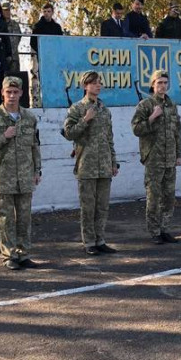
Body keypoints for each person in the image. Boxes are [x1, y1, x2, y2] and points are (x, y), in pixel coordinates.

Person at [0, 76, 42, 270]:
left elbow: (35, 146)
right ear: (3, 93)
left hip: (25, 177)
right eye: (8, 92)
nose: (12, 96)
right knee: (6, 219)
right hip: (3, 177)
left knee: (24, 218)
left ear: (21, 93)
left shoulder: (29, 118)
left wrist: (37, 170)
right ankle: (9, 255)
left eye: (15, 92)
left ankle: (23, 254)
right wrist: (3, 136)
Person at [62, 71, 119, 255]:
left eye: (99, 82)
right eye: (93, 83)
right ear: (85, 86)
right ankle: (89, 242)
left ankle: (100, 239)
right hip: (86, 164)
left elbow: (109, 138)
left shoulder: (105, 109)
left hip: (103, 165)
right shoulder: (77, 108)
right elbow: (69, 133)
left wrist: (113, 161)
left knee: (102, 206)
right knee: (88, 207)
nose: (97, 85)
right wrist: (85, 120)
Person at [131, 70, 181, 244]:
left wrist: (178, 154)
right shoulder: (145, 105)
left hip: (169, 158)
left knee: (169, 197)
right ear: (152, 85)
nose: (162, 86)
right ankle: (154, 231)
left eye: (165, 83)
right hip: (154, 158)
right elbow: (136, 129)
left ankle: (165, 229)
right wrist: (152, 117)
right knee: (154, 197)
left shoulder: (171, 105)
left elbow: (177, 130)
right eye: (159, 82)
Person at [30, 3, 64, 107]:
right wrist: (41, 51)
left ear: (52, 12)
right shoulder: (38, 26)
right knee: (39, 78)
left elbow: (60, 42)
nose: (46, 14)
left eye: (48, 11)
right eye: (44, 12)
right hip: (41, 57)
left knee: (54, 78)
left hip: (53, 58)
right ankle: (37, 102)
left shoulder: (57, 27)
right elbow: (33, 42)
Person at [2, 1, 23, 75]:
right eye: (5, 10)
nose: (7, 12)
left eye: (8, 10)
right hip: (3, 58)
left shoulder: (15, 24)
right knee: (2, 82)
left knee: (15, 80)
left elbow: (19, 37)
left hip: (14, 58)